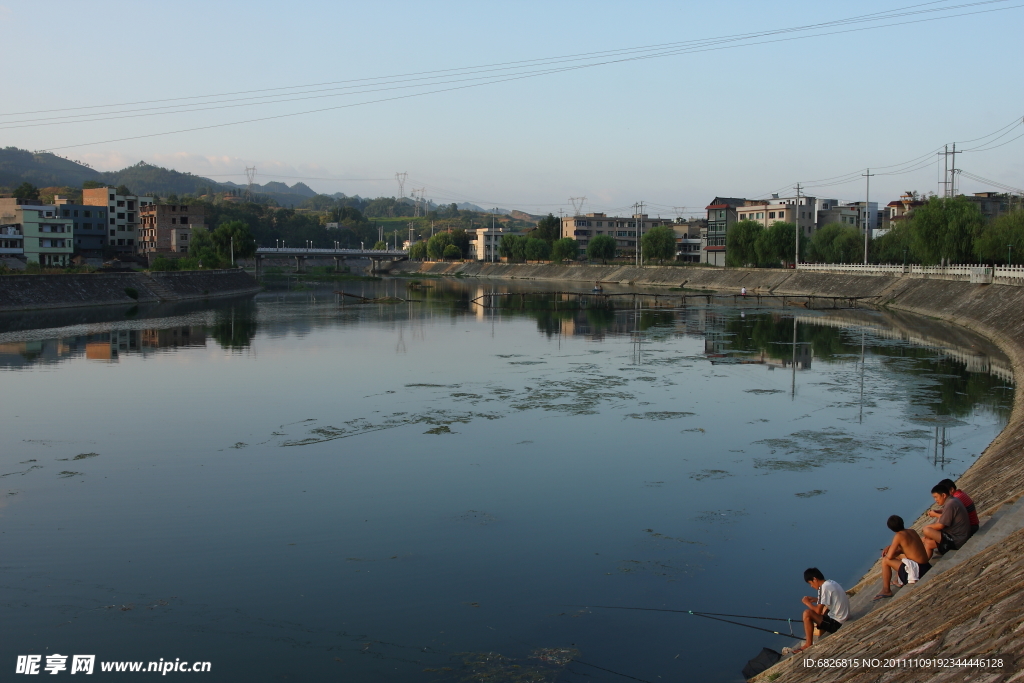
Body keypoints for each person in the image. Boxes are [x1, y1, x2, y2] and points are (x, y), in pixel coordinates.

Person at [786, 568, 850, 654]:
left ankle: (808, 644)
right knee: (824, 608)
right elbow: (828, 599)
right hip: (844, 615)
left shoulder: (824, 588)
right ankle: (820, 626)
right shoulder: (830, 582)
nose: (811, 586)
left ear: (815, 579)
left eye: (810, 583)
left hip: (837, 623)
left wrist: (807, 603)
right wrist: (816, 599)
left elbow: (817, 612)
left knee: (807, 613)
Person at [873, 515, 931, 600]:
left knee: (885, 561)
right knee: (900, 555)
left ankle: (886, 590)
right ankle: (897, 581)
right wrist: (894, 548)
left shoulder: (899, 536)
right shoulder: (912, 531)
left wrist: (889, 548)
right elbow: (907, 549)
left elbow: (889, 556)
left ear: (891, 528)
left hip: (919, 571)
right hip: (926, 566)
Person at [922, 483, 972, 558]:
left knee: (927, 530)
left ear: (944, 495)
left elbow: (941, 525)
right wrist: (938, 511)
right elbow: (946, 511)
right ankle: (923, 564)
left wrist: (925, 529)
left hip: (957, 540)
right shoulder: (953, 500)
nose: (935, 500)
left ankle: (921, 563)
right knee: (928, 543)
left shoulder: (950, 504)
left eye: (936, 497)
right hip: (961, 536)